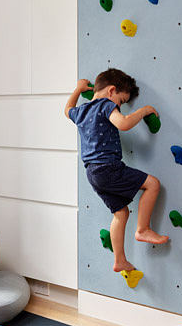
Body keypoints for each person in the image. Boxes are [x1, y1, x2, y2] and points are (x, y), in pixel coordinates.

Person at [65, 69, 169, 273]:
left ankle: (119, 259)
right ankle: (143, 229)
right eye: (121, 102)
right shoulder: (105, 105)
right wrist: (144, 110)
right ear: (112, 91)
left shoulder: (82, 111)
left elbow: (67, 108)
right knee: (152, 184)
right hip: (108, 168)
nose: (119, 106)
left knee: (121, 213)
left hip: (93, 174)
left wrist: (77, 89)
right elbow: (123, 124)